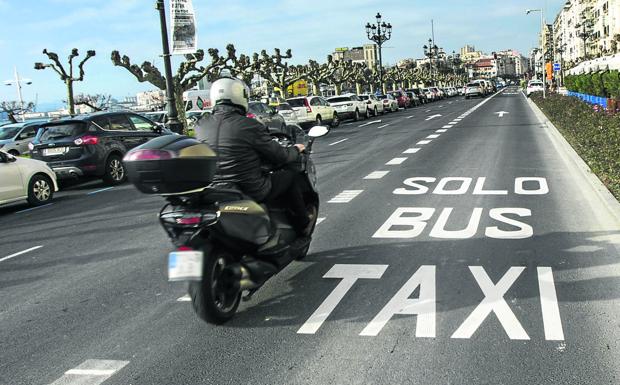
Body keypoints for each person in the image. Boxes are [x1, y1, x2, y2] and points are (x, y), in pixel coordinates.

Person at [196, 74, 313, 236]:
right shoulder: (249, 125)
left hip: (213, 188)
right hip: (249, 188)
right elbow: (280, 156)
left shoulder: (201, 125)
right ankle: (303, 225)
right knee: (289, 176)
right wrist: (296, 149)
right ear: (240, 96)